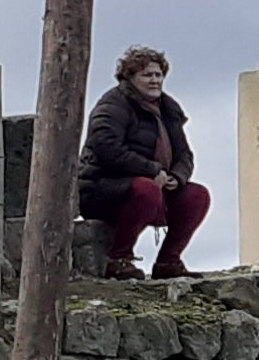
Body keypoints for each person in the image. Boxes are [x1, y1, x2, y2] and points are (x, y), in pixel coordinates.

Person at [79, 46, 208, 280]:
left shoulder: (168, 109)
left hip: (155, 186)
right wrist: (151, 170)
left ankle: (168, 261)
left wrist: (176, 178)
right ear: (130, 77)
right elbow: (106, 147)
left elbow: (184, 155)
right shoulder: (112, 105)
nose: (154, 80)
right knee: (146, 190)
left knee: (197, 195)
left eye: (158, 75)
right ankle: (119, 259)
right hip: (103, 188)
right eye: (147, 75)